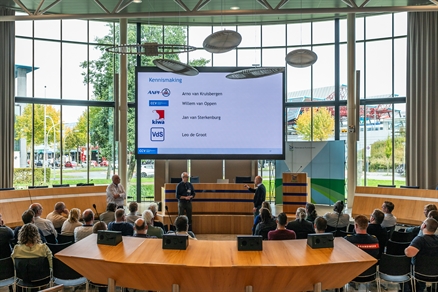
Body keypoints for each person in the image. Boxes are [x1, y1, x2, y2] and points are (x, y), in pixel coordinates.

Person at [405, 218, 438, 292]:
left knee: (406, 271)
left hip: (420, 274)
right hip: (436, 275)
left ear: (424, 226)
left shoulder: (420, 239)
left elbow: (409, 254)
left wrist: (405, 249)